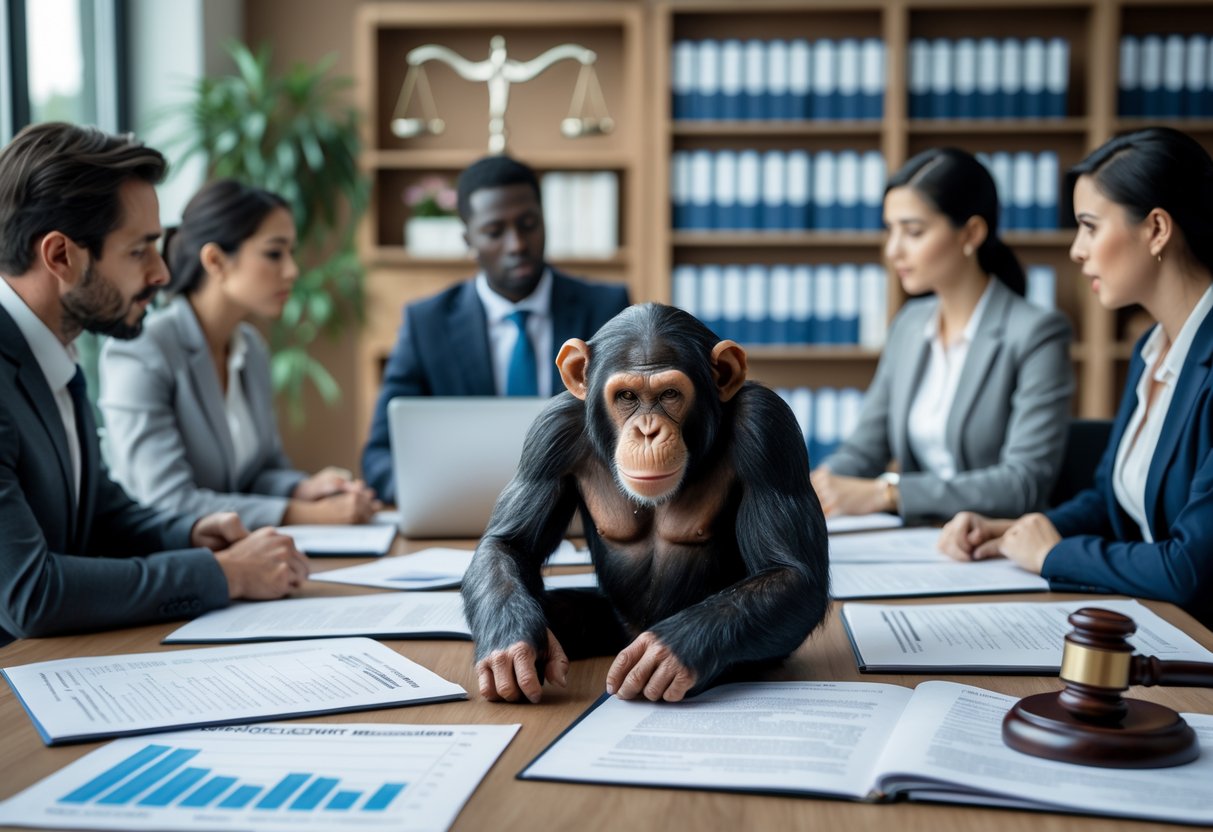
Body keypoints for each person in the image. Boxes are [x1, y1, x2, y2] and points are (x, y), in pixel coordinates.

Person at [0, 123, 309, 646]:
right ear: (60, 256)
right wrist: (225, 573)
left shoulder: (52, 357)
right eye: (140, 250)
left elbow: (99, 515)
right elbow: (30, 593)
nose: (163, 273)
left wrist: (190, 534)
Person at [939, 127, 1213, 630]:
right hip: (1156, 622)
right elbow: (1110, 501)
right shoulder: (1151, 351)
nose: (1076, 250)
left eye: (1089, 226)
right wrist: (1018, 531)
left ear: (1156, 229)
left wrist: (1052, 555)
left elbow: (1188, 569)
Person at [811, 147, 1074, 523]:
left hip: (993, 541)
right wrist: (819, 486)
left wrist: (888, 493)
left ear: (971, 233)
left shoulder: (1037, 333)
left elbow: (1024, 482)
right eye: (890, 230)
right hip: (915, 540)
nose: (893, 250)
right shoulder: (909, 325)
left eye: (913, 232)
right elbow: (864, 450)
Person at [99, 179, 379, 529]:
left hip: (242, 549)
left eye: (290, 253)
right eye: (274, 254)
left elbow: (258, 473)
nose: (292, 270)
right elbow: (166, 500)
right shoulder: (143, 350)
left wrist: (303, 489)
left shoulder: (251, 348)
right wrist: (308, 514)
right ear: (215, 260)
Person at [361, 154, 630, 503]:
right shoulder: (426, 325)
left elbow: (635, 424)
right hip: (463, 513)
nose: (517, 244)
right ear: (468, 240)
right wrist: (426, 495)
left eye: (528, 224)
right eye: (494, 232)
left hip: (579, 510)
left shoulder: (606, 309)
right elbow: (379, 455)